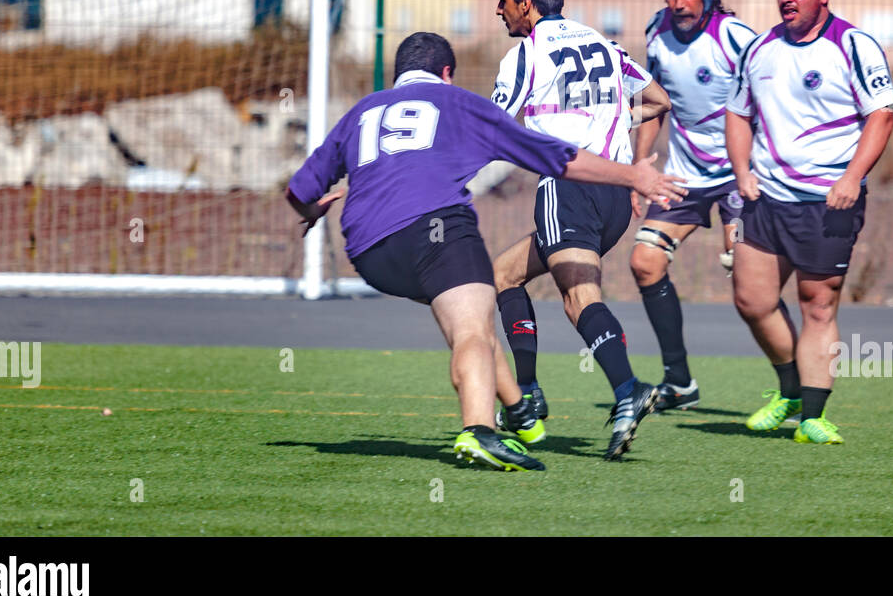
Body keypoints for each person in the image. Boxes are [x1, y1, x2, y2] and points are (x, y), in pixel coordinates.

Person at [284, 31, 684, 472]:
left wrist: (312, 209)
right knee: (472, 328)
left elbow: (300, 189)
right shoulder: (458, 104)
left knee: (474, 308)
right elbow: (557, 157)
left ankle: (519, 406)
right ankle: (479, 431)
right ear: (447, 73)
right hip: (435, 229)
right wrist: (631, 176)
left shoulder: (360, 112)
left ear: (398, 75)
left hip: (368, 251)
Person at [489, 0, 676, 460]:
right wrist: (614, 122)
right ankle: (526, 392)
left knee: (578, 300)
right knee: (504, 275)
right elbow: (659, 100)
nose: (498, 9)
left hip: (568, 189)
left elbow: (491, 128)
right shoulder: (604, 44)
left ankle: (627, 390)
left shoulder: (525, 55)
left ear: (526, 5)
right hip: (614, 196)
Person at [725, 0, 893, 445]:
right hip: (767, 199)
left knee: (816, 305)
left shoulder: (855, 45)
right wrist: (741, 171)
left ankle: (813, 417)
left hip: (829, 203)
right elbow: (737, 113)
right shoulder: (760, 50)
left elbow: (882, 115)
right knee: (751, 299)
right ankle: (790, 388)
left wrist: (852, 177)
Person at [629, 0, 758, 411]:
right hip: (684, 174)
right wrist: (640, 167)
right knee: (645, 261)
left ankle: (793, 385)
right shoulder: (656, 34)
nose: (679, 2)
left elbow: (770, 98)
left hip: (739, 175)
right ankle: (679, 382)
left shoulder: (736, 37)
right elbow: (655, 103)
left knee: (746, 279)